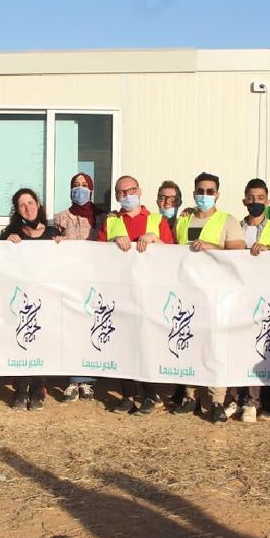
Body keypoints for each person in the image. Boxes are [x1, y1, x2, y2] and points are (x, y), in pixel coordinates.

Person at [171, 172, 246, 422]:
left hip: (217, 296)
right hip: (188, 293)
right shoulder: (183, 220)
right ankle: (190, 397)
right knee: (189, 343)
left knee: (216, 349)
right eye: (200, 191)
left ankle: (216, 401)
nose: (205, 195)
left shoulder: (228, 221)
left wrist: (213, 248)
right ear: (194, 193)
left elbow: (239, 254)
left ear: (217, 194)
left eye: (210, 191)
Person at [99, 175, 174, 415]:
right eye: (121, 192)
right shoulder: (111, 221)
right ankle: (128, 394)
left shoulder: (157, 220)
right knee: (123, 343)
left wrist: (156, 240)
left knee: (146, 344)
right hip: (120, 291)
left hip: (149, 292)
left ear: (139, 191)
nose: (127, 195)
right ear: (116, 195)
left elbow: (173, 255)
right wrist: (112, 241)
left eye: (131, 190)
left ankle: (152, 394)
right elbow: (96, 254)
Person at [1, 188, 62, 410]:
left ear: (38, 203)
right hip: (20, 300)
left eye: (30, 202)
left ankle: (38, 389)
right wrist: (5, 243)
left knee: (41, 342)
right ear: (17, 211)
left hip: (46, 300)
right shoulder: (12, 233)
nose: (28, 208)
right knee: (21, 342)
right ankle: (20, 389)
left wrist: (62, 246)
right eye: (22, 205)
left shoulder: (53, 233)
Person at [232, 178, 270, 422]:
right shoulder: (235, 227)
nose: (255, 202)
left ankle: (253, 402)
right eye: (251, 198)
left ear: (268, 201)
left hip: (264, 298)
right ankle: (235, 398)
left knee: (258, 349)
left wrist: (268, 253)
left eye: (260, 198)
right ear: (245, 200)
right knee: (237, 346)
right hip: (238, 296)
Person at [54, 173, 105, 402]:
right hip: (70, 279)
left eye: (84, 185)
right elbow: (52, 243)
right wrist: (56, 242)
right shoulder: (61, 217)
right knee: (72, 328)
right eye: (76, 185)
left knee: (91, 327)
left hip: (95, 278)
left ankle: (87, 380)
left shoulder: (102, 217)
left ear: (91, 189)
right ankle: (73, 380)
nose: (80, 189)